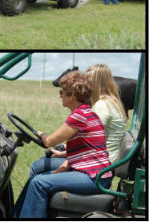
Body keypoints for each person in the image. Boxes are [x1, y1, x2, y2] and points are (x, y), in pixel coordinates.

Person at [13, 71, 112, 218]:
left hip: (94, 177)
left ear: (72, 96)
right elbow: (83, 150)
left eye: (62, 92)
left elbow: (49, 142)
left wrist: (41, 135)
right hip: (95, 172)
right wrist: (61, 168)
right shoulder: (86, 112)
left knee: (38, 183)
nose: (60, 95)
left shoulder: (79, 116)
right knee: (38, 173)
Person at [86, 64, 127, 164]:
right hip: (104, 158)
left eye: (87, 81)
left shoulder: (102, 105)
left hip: (100, 163)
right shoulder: (111, 101)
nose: (83, 85)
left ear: (96, 84)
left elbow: (91, 140)